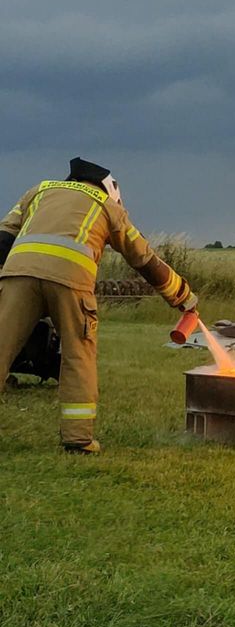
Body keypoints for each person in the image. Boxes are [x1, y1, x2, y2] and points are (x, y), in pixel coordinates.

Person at [0, 157, 197, 453]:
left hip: (18, 275)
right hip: (70, 279)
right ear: (110, 189)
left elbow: (5, 236)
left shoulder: (39, 190)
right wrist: (182, 296)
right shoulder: (108, 206)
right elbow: (144, 259)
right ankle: (78, 440)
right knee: (78, 355)